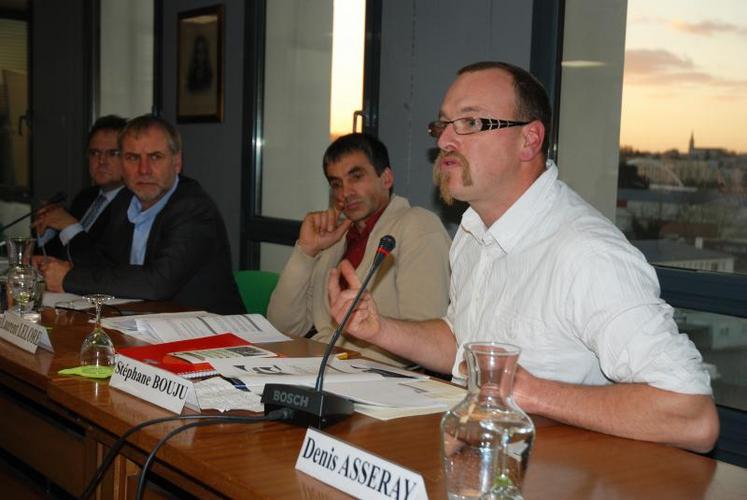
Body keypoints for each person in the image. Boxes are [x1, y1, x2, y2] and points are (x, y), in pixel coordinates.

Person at [328, 62, 719, 453]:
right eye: (443, 125)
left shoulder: (587, 253)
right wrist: (379, 329)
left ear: (529, 141)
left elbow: (692, 415)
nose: (445, 140)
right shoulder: (472, 232)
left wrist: (532, 394)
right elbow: (463, 344)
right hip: (484, 466)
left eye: (470, 123)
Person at [267, 133, 451, 366]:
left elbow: (425, 342)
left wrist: (333, 360)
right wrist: (306, 251)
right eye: (336, 184)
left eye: (356, 177)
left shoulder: (417, 226)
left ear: (386, 178)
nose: (345, 193)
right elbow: (282, 326)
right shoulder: (336, 239)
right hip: (322, 367)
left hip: (381, 379)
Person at [37, 114, 244, 315]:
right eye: (132, 158)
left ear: (177, 162)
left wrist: (69, 278)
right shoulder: (125, 201)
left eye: (155, 157)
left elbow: (158, 283)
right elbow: (105, 265)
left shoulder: (194, 209)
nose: (143, 170)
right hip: (146, 323)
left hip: (211, 333)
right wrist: (62, 267)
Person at [33, 115, 130, 259]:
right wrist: (49, 228)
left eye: (112, 153)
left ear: (129, 157)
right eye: (94, 153)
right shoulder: (85, 197)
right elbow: (59, 255)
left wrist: (69, 226)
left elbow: (102, 265)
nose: (101, 161)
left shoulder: (133, 205)